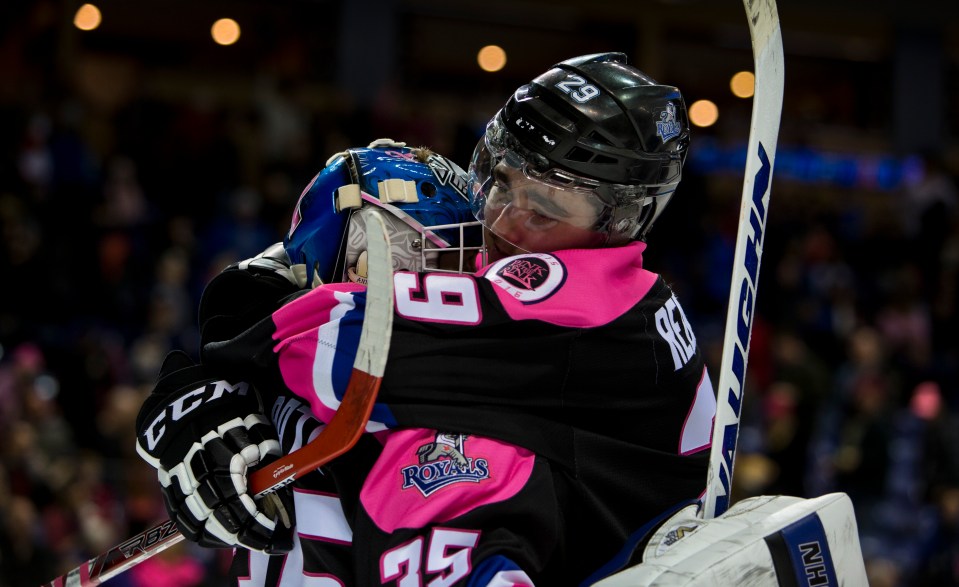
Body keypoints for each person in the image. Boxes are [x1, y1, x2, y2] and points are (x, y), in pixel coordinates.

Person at [136, 53, 714, 586]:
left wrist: (216, 371)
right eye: (501, 179)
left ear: (622, 221)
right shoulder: (460, 375)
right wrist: (202, 395)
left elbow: (345, 342)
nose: (503, 223)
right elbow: (287, 295)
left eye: (544, 210)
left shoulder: (592, 307)